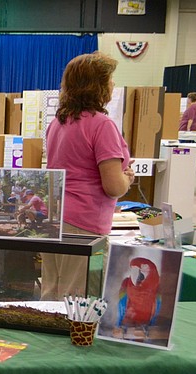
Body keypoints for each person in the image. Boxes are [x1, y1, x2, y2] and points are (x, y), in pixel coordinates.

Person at [44, 51, 134, 299]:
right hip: (84, 224)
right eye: (110, 79)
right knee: (77, 299)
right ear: (97, 85)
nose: (113, 84)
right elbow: (113, 186)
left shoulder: (59, 122)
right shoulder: (101, 125)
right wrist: (127, 178)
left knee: (51, 293)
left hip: (55, 218)